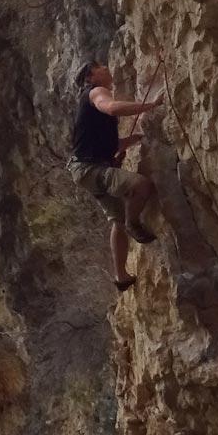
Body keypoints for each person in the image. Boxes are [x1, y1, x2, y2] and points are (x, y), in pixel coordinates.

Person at [72, 62, 163, 291]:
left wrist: (132, 141)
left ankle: (121, 276)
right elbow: (112, 108)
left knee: (117, 221)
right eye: (100, 67)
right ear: (91, 76)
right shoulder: (95, 92)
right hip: (91, 169)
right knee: (140, 185)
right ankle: (134, 223)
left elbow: (104, 143)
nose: (106, 68)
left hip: (86, 169)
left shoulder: (87, 105)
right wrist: (150, 105)